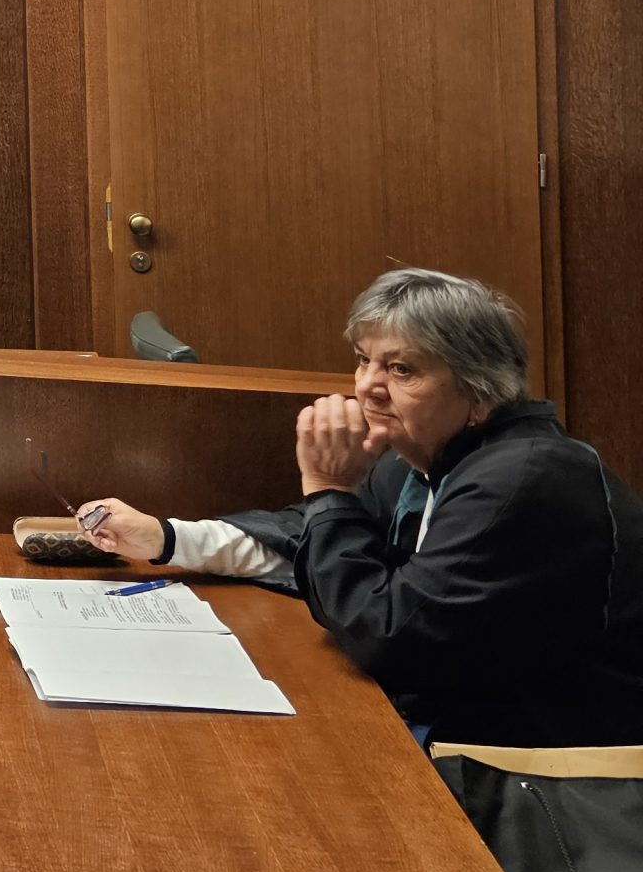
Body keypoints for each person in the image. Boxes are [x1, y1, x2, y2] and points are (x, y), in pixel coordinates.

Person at [79, 268, 643, 747]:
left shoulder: (525, 479)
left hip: (552, 771)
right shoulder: (419, 457)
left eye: (402, 370)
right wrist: (166, 538)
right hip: (461, 722)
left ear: (479, 391)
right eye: (363, 360)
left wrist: (328, 487)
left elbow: (389, 635)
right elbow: (318, 539)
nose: (368, 386)